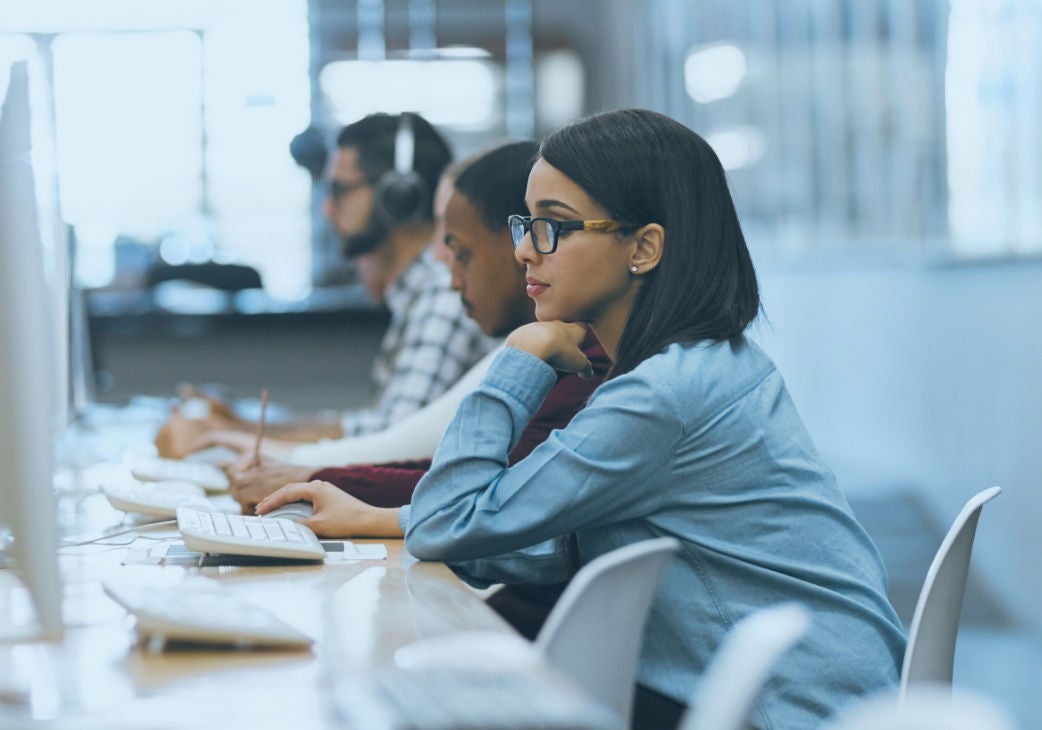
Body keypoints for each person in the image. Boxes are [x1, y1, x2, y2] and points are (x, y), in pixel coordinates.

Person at [259, 109, 906, 729]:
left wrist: (520, 355)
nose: (524, 253)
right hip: (821, 691)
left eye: (554, 227)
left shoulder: (660, 396)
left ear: (645, 248)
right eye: (525, 225)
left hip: (786, 709)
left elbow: (447, 522)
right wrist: (386, 519)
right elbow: (566, 538)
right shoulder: (706, 364)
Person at [244, 141, 610, 638]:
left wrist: (323, 482)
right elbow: (456, 485)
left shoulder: (592, 370)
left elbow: (471, 506)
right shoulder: (563, 351)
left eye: (547, 231)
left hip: (535, 659)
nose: (525, 251)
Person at [154, 113, 496, 457]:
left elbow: (386, 446)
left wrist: (230, 436)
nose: (327, 209)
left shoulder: (442, 295)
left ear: (397, 196)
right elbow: (371, 427)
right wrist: (239, 426)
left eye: (339, 190)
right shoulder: (418, 294)